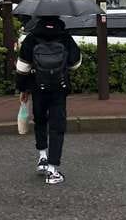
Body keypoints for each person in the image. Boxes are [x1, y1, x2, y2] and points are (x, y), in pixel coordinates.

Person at [16, 15, 81, 185]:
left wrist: (23, 89)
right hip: (59, 88)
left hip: (38, 87)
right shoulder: (66, 37)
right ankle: (53, 169)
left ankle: (42, 158)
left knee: (40, 121)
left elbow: (22, 67)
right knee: (57, 127)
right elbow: (75, 63)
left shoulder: (31, 37)